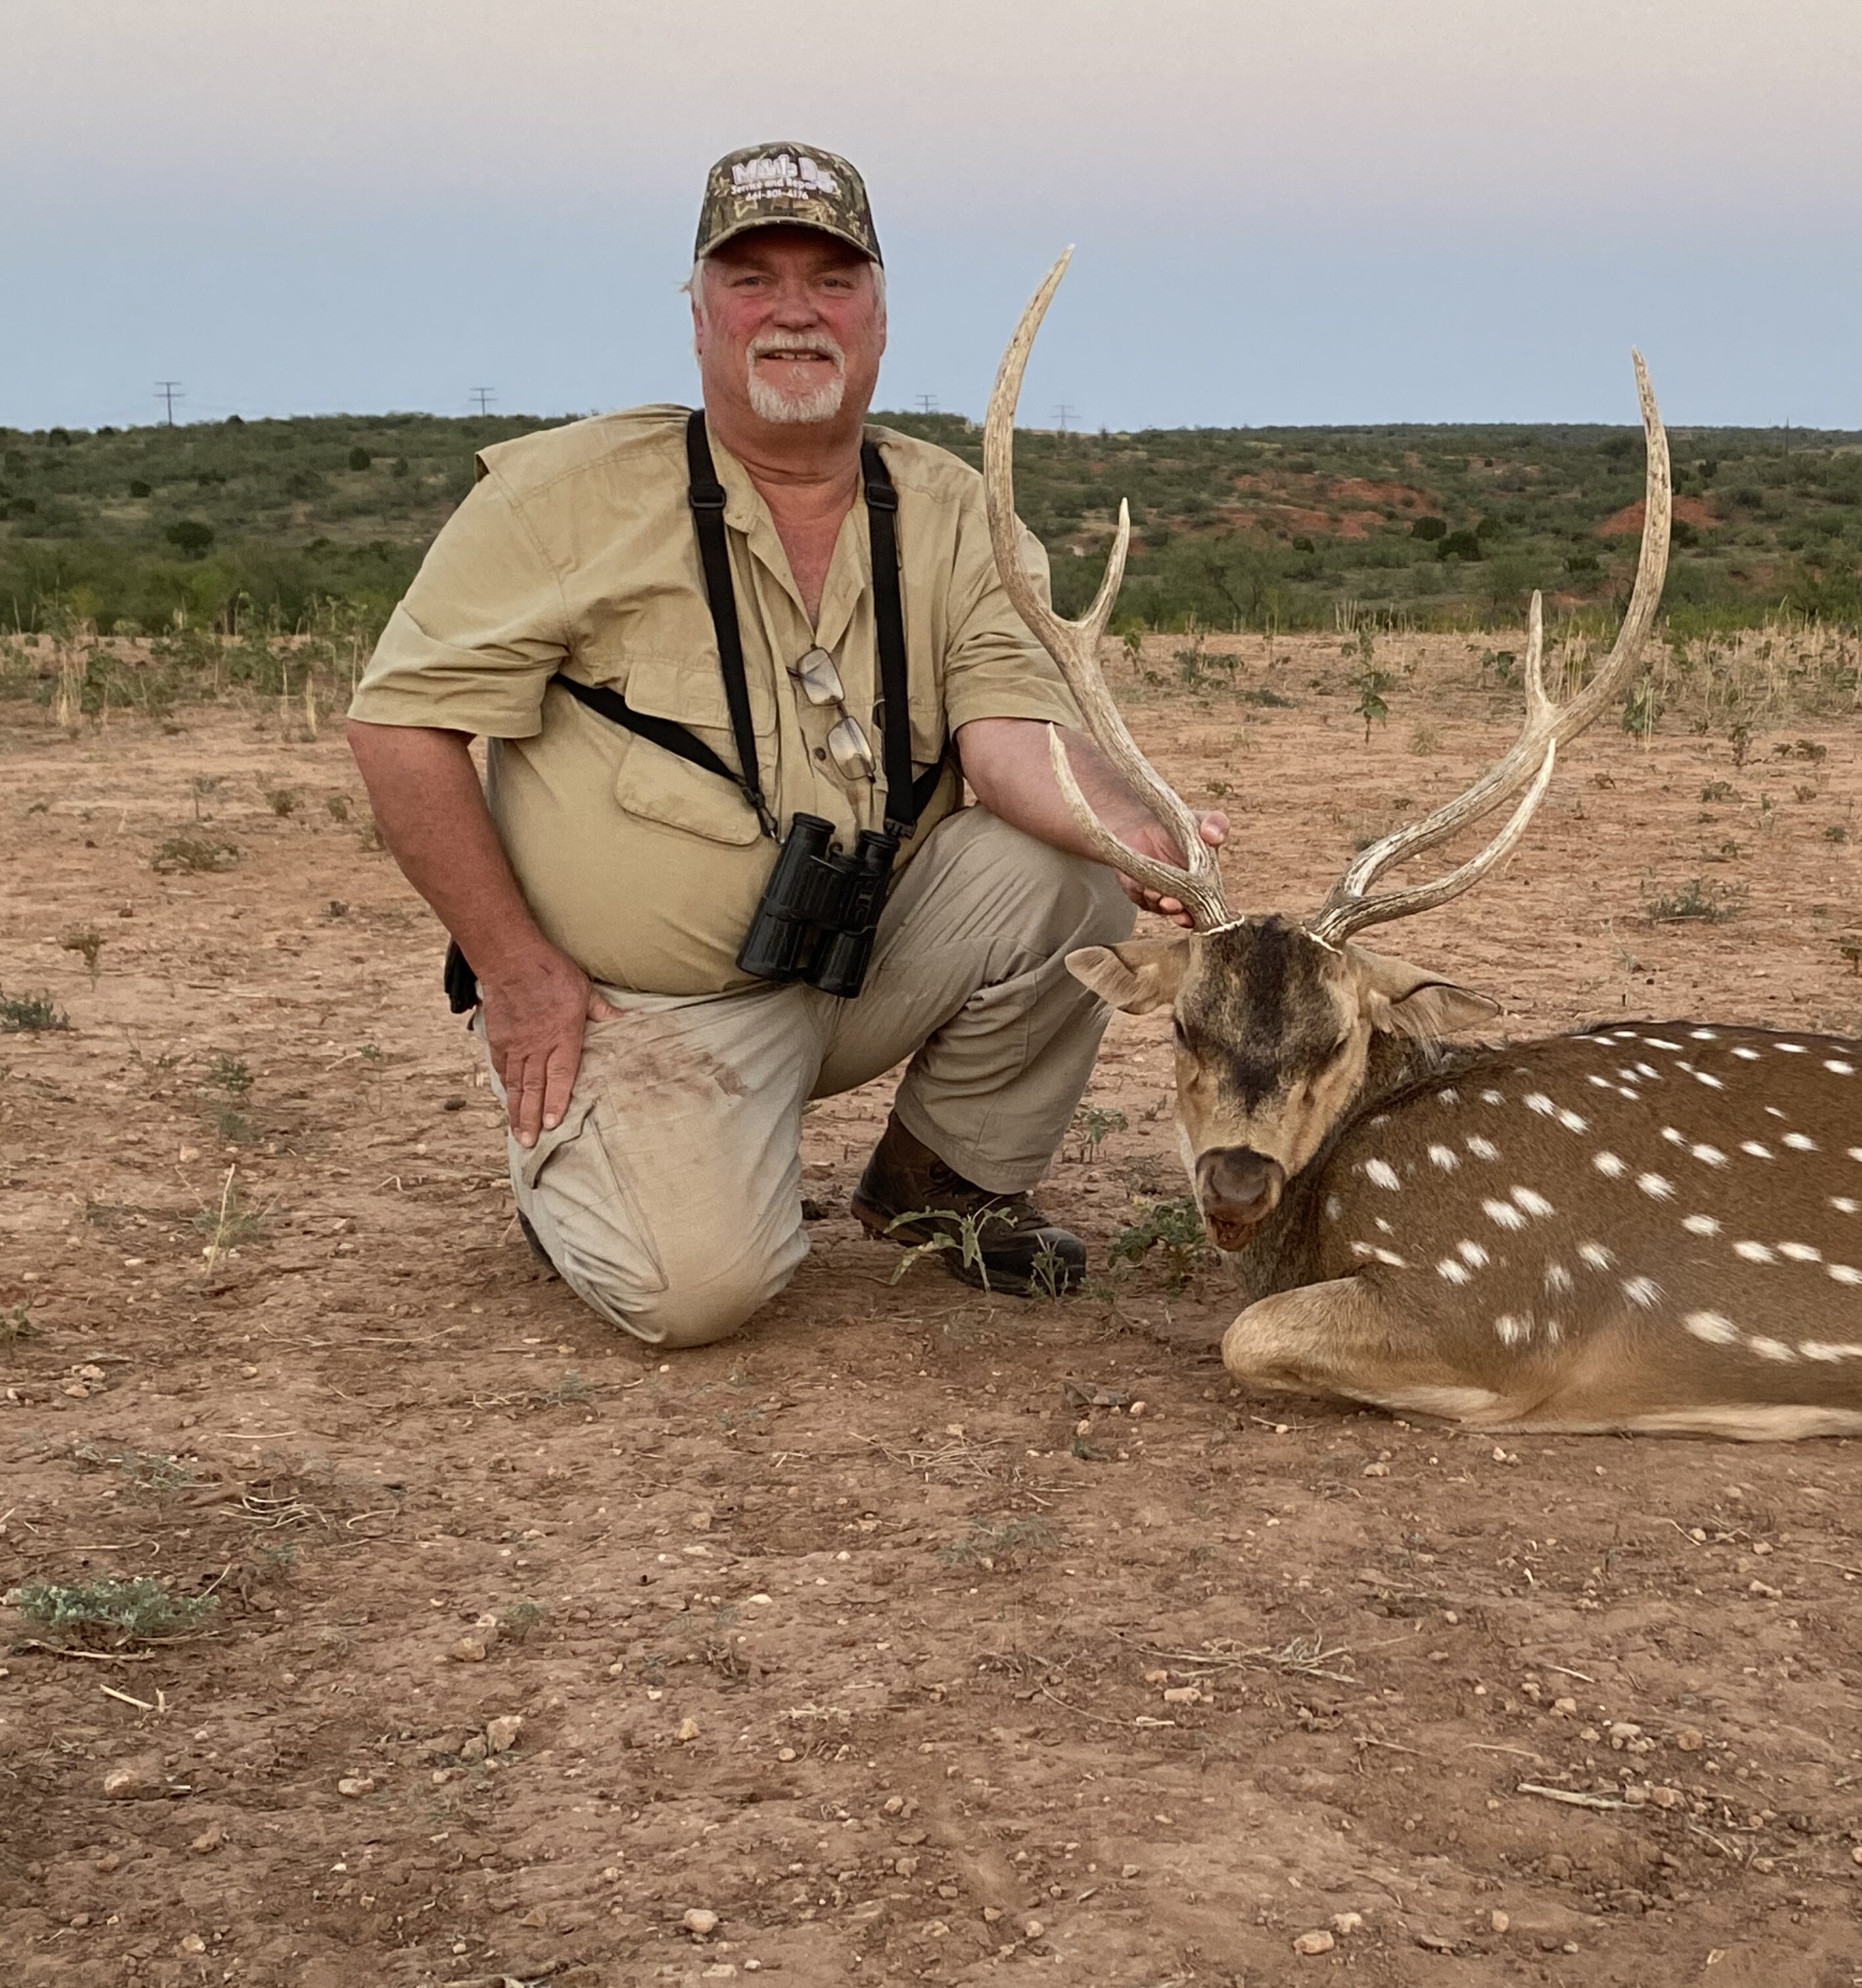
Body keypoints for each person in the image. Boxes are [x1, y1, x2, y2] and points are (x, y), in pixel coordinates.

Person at [347, 141, 1221, 1346]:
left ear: (878, 314)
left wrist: (1129, 825)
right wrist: (514, 966)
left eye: (832, 278)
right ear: (698, 312)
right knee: (698, 1294)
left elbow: (1009, 731)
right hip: (645, 1008)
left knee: (1062, 875)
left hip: (860, 960)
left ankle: (940, 1185)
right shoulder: (559, 500)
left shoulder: (960, 510)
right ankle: (582, 1176)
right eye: (752, 278)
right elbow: (399, 725)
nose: (795, 311)